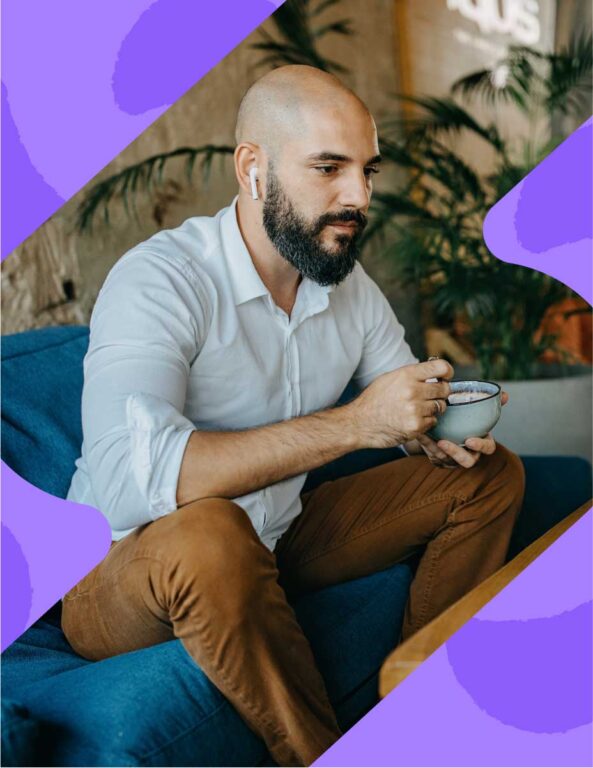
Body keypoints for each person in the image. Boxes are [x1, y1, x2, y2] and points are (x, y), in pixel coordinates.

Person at [62, 65, 525, 766]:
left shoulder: (344, 283)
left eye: (367, 170)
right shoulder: (161, 279)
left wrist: (436, 428)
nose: (358, 197)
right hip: (122, 571)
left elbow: (396, 399)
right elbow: (131, 479)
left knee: (488, 478)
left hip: (273, 537)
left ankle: (424, 720)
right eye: (328, 168)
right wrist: (354, 426)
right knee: (209, 530)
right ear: (253, 169)